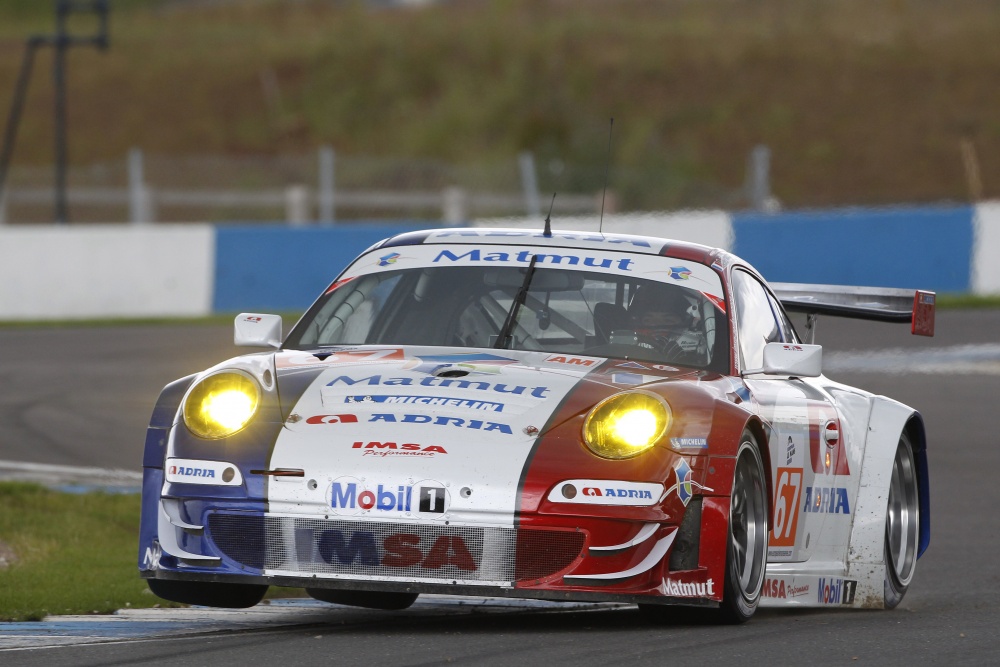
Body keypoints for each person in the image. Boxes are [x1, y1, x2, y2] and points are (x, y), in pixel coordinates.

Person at [626, 283, 704, 359]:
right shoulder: (625, 350)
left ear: (684, 323)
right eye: (648, 320)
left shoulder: (700, 354)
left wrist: (683, 360)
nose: (655, 325)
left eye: (667, 320)